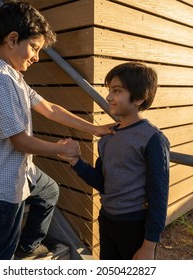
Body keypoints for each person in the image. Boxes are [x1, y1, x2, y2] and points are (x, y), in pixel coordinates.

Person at [0, 0, 113, 260]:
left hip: (19, 170)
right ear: (12, 39)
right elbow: (21, 142)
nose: (37, 56)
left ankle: (29, 245)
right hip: (0, 181)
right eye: (34, 47)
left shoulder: (14, 77)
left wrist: (95, 128)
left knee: (48, 191)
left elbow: (50, 108)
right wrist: (62, 149)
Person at [58, 62, 170, 260]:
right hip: (107, 220)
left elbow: (158, 196)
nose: (109, 97)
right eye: (109, 90)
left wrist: (149, 245)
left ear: (140, 98)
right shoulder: (108, 136)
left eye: (117, 91)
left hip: (135, 226)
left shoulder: (153, 139)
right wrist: (75, 161)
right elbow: (102, 183)